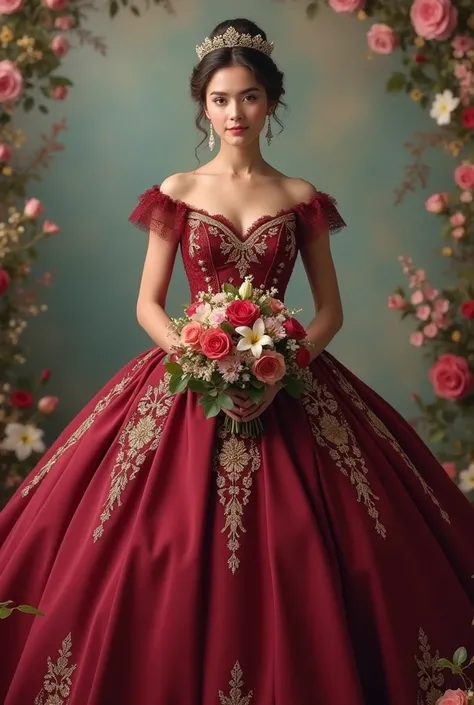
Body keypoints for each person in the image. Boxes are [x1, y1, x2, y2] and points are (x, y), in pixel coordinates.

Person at [0, 16, 473, 705]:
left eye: (248, 96)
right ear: (203, 104)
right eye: (220, 99)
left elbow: (330, 312)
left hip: (291, 380)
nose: (234, 112)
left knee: (331, 549)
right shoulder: (179, 191)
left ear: (271, 101)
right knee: (146, 547)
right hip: (190, 376)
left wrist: (283, 361)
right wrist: (198, 355)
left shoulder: (301, 198)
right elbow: (150, 305)